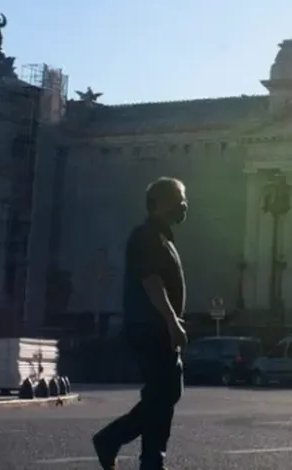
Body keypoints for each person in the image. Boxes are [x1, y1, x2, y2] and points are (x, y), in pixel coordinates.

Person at [93, 177, 189, 470]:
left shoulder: (161, 236)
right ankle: (112, 439)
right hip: (151, 328)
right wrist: (172, 323)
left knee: (161, 395)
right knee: (166, 393)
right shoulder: (147, 236)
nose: (184, 205)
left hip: (156, 327)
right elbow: (151, 281)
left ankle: (151, 461)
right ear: (159, 203)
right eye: (179, 199)